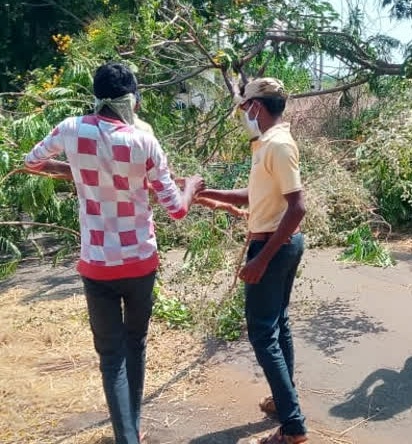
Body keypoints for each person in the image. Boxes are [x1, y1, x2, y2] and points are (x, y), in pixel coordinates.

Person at [23, 62, 204, 444]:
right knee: (135, 343)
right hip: (140, 261)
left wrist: (76, 170)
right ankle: (132, 428)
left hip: (98, 265)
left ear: (97, 97)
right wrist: (194, 186)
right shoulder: (144, 141)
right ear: (132, 100)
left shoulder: (72, 129)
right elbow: (177, 209)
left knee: (111, 356)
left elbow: (32, 161)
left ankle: (127, 436)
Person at [197, 78, 308, 444]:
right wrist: (206, 193)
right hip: (277, 246)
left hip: (274, 248)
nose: (244, 114)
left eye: (246, 108)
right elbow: (253, 195)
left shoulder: (277, 145)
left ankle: (292, 427)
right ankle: (282, 401)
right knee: (279, 324)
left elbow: (297, 208)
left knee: (263, 335)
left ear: (257, 107)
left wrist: (261, 261)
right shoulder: (266, 146)